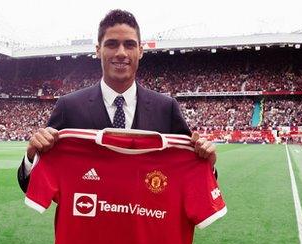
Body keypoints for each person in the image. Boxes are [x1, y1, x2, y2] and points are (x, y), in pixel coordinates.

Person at [17, 9, 217, 193]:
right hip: (88, 229)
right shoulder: (68, 107)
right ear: (98, 50)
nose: (121, 53)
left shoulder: (166, 108)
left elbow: (191, 179)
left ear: (140, 51)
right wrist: (32, 157)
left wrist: (206, 163)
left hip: (146, 229)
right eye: (112, 44)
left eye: (129, 44)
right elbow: (34, 186)